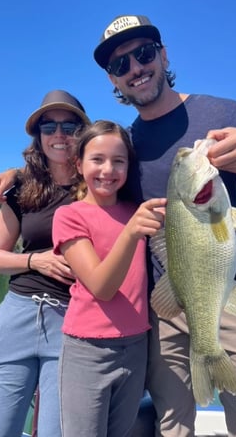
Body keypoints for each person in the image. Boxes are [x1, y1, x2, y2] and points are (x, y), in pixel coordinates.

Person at [92, 15, 236, 437]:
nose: (135, 69)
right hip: (162, 308)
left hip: (232, 293)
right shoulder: (124, 145)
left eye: (143, 54)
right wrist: (20, 179)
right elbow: (88, 195)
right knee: (172, 420)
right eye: (119, 65)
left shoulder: (225, 112)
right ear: (114, 80)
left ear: (163, 56)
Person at [0, 89, 90, 437]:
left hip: (71, 321)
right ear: (39, 136)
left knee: (55, 432)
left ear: (84, 132)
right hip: (17, 316)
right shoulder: (21, 190)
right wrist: (35, 261)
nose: (59, 135)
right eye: (49, 126)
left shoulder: (100, 186)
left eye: (70, 126)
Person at [52, 119, 165, 437]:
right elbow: (101, 287)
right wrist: (131, 232)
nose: (108, 169)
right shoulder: (70, 215)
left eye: (119, 161)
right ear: (78, 164)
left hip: (137, 346)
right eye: (97, 159)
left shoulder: (137, 211)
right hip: (87, 351)